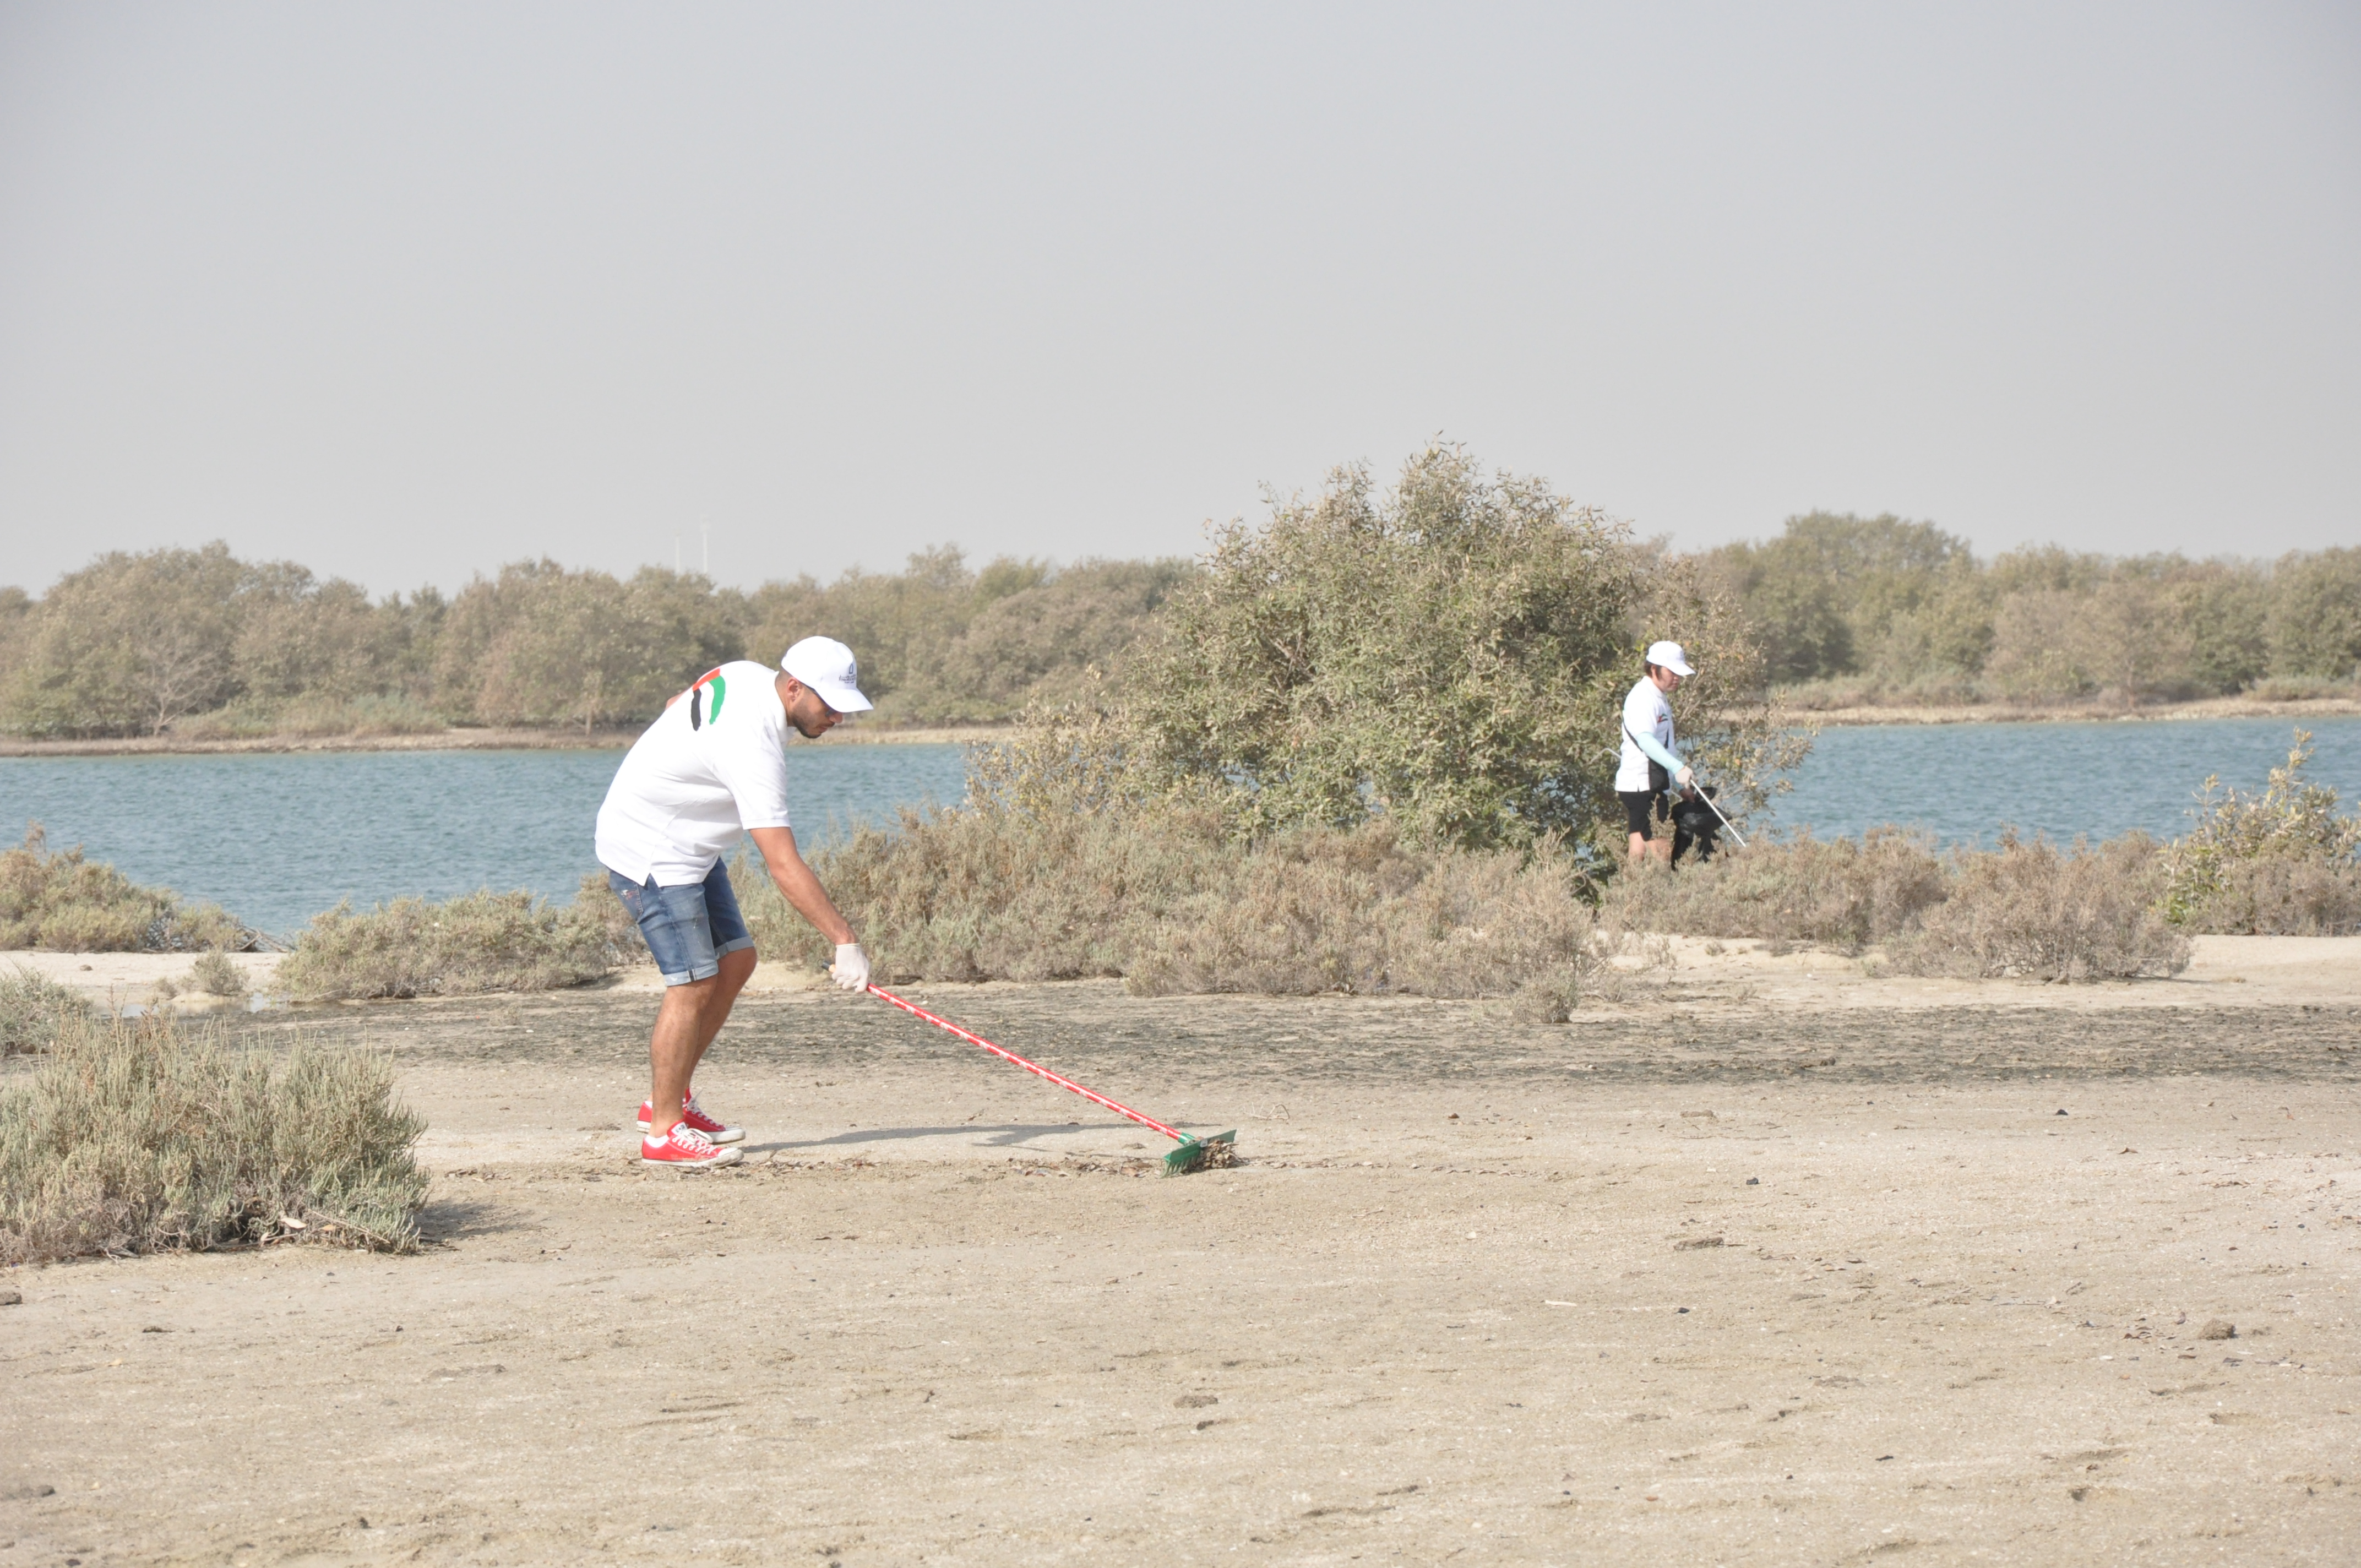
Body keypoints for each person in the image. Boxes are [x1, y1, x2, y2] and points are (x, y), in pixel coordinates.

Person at [595, 636, 877, 1167]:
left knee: (738, 960)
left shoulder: (748, 673)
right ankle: (662, 1134)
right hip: (651, 852)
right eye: (830, 705)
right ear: (794, 688)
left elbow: (679, 703)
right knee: (694, 981)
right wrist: (844, 941)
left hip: (690, 846)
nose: (838, 717)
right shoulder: (755, 748)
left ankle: (667, 1099)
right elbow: (782, 865)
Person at [1615, 640, 1697, 865]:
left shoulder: (1658, 697)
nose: (1677, 678)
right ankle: (1664, 895)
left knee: (1638, 849)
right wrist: (1678, 767)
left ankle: (1629, 895)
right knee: (1661, 851)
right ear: (1654, 669)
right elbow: (1646, 741)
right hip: (1642, 785)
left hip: (1651, 784)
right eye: (1672, 672)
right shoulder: (1643, 697)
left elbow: (1665, 746)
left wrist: (1681, 786)